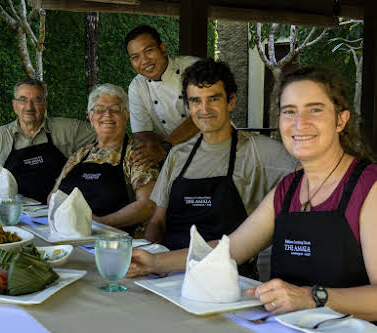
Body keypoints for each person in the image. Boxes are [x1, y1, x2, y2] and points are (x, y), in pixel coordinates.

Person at [127, 67, 377, 321]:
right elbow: (231, 249)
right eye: (289, 111)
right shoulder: (288, 188)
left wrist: (313, 297)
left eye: (315, 109)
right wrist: (154, 263)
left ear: (341, 120)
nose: (300, 123)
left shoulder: (369, 187)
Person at [145, 58, 296, 278]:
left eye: (213, 99)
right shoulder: (178, 155)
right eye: (196, 101)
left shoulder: (260, 151)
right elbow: (157, 221)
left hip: (229, 279)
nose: (204, 109)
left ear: (231, 101)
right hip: (169, 274)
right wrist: (148, 258)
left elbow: (312, 174)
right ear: (188, 107)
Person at [51, 84, 159, 237]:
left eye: (115, 109)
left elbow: (147, 205)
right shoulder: (81, 154)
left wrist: (102, 223)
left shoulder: (136, 153)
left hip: (113, 242)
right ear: (90, 117)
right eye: (99, 110)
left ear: (126, 115)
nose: (107, 114)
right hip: (68, 236)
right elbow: (54, 196)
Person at [0, 78, 96, 203]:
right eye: (23, 100)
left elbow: (105, 132)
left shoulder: (66, 129)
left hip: (59, 210)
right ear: (14, 105)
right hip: (16, 213)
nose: (29, 106)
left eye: (36, 100)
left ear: (45, 105)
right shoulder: (0, 137)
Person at [125, 25, 200, 166]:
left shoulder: (193, 67)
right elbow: (141, 132)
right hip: (176, 156)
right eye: (136, 57)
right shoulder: (136, 87)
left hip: (215, 147)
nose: (144, 61)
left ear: (163, 49)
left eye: (148, 51)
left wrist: (166, 147)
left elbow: (202, 114)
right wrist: (158, 149)